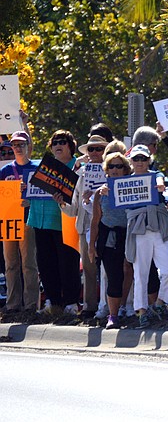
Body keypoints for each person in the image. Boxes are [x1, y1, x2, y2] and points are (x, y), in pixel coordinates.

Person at [124, 144, 168, 327]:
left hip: (160, 227)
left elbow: (160, 181)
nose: (140, 162)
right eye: (136, 158)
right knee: (141, 272)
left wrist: (160, 186)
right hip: (139, 229)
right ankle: (141, 311)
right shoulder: (125, 182)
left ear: (149, 160)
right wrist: (105, 192)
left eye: (143, 158)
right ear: (131, 161)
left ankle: (160, 303)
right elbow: (114, 194)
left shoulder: (156, 175)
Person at [29, 130, 81, 316]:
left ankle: (71, 302)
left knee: (68, 263)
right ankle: (53, 301)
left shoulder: (78, 167)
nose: (58, 145)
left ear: (70, 146)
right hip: (40, 220)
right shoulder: (42, 167)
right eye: (55, 143)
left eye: (62, 142)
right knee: (45, 263)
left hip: (64, 222)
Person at [58, 133, 109, 317]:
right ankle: (90, 307)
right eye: (91, 149)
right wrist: (61, 203)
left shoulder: (113, 171)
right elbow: (73, 208)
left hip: (106, 225)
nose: (94, 152)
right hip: (85, 226)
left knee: (108, 268)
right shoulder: (80, 175)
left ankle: (110, 306)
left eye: (99, 148)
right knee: (88, 268)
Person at [89, 152, 131, 329]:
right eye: (111, 166)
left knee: (129, 270)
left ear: (125, 169)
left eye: (119, 166)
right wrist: (91, 245)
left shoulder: (133, 187)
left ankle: (126, 307)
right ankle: (112, 315)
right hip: (109, 237)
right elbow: (95, 221)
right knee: (113, 275)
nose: (115, 169)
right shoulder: (100, 193)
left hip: (130, 234)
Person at [1, 131, 39, 315]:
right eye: (14, 145)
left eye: (21, 144)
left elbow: (43, 195)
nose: (17, 148)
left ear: (27, 145)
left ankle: (31, 305)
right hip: (8, 220)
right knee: (10, 265)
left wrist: (31, 201)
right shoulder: (5, 171)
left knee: (29, 264)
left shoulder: (36, 168)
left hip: (28, 220)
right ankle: (12, 304)